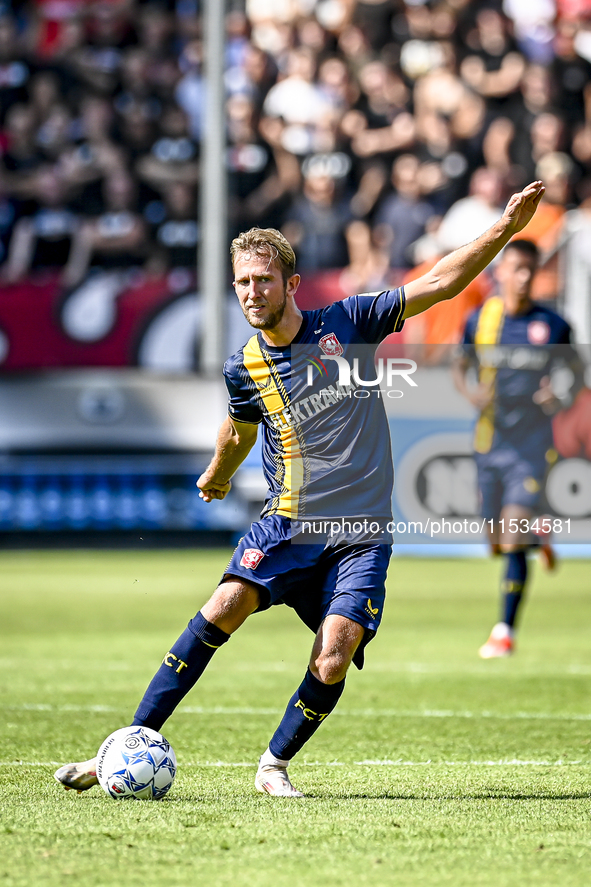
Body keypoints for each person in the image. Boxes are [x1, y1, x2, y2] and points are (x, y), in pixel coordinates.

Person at [54, 181, 545, 798]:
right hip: (287, 521)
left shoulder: (348, 321)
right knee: (221, 609)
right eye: (242, 283)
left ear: (290, 284)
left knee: (334, 653)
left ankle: (273, 764)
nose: (251, 293)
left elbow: (440, 282)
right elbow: (237, 429)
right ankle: (121, 750)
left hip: (362, 532)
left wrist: (503, 230)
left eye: (262, 280)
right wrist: (219, 473)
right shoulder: (245, 367)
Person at [453, 238, 583, 659]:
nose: (524, 277)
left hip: (532, 444)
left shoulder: (553, 325)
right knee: (495, 539)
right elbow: (460, 366)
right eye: (517, 269)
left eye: (531, 270)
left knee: (511, 535)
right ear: (501, 272)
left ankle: (504, 631)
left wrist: (559, 397)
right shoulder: (481, 320)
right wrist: (471, 393)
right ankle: (537, 536)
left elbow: (577, 373)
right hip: (489, 441)